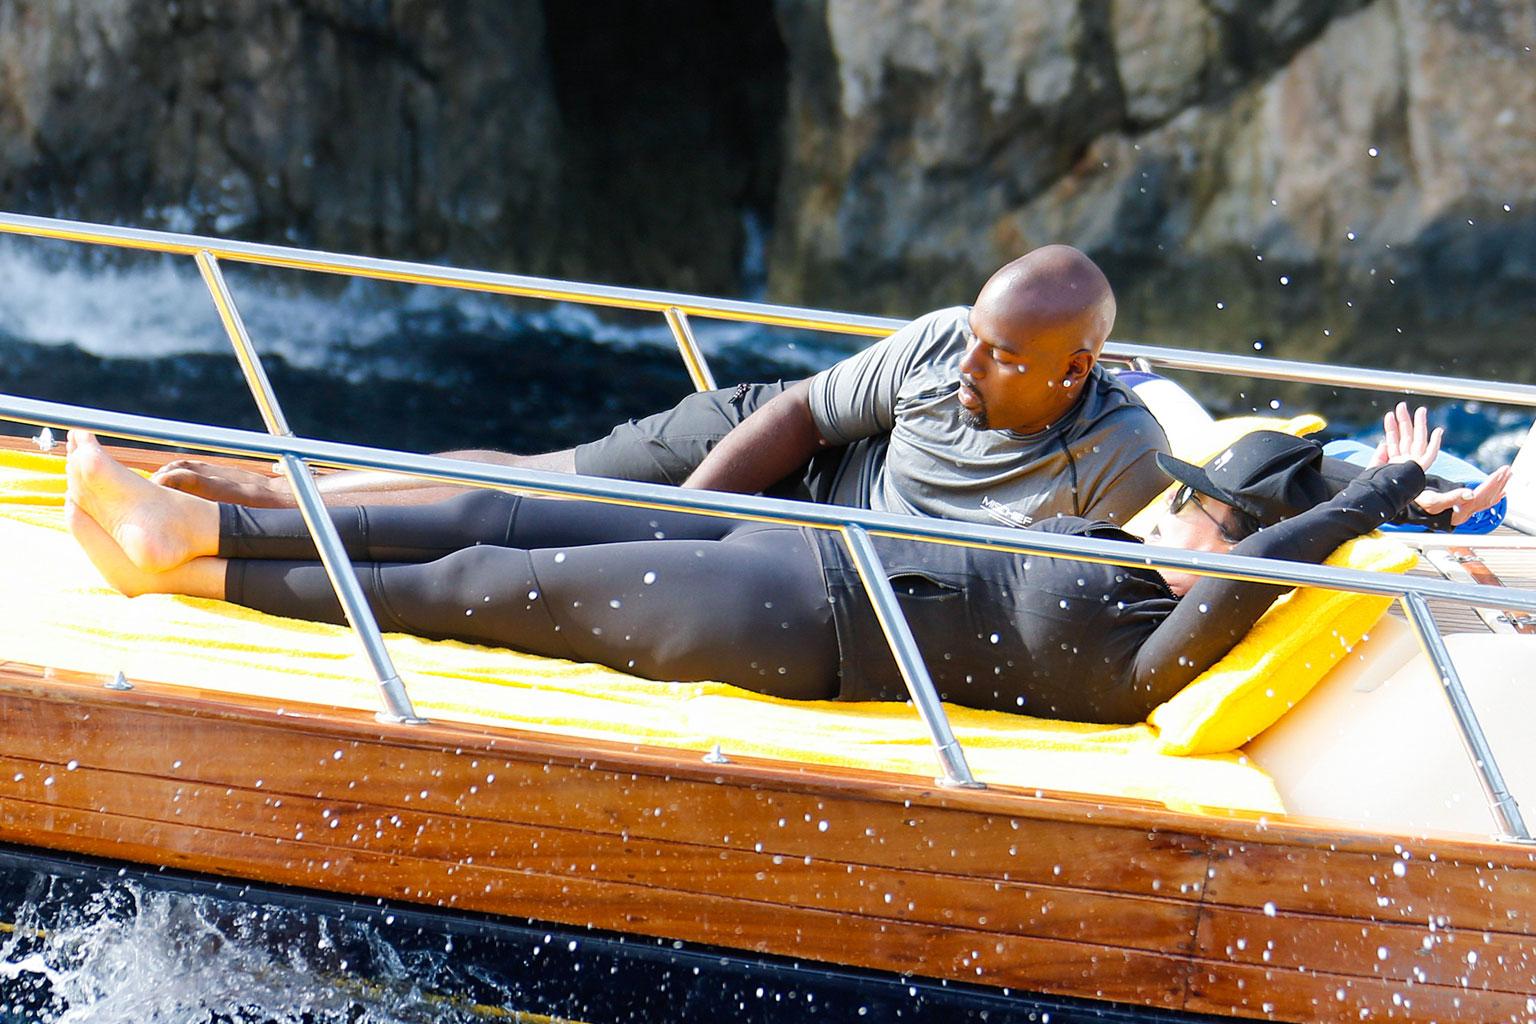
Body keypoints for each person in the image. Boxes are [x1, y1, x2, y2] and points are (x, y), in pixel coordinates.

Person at [62, 404, 1464, 725]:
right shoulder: (1145, 559)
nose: (1179, 512)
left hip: (801, 626)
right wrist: (1389, 482)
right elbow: (1273, 525)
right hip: (798, 545)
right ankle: (212, 524)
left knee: (478, 598)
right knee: (495, 517)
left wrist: (1376, 497)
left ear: (1244, 551)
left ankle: (185, 555)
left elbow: (1259, 569)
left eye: (1203, 511)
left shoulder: (1164, 639)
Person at [151, 245, 1175, 530]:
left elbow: (1189, 546)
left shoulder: (1120, 455)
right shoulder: (942, 343)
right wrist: (680, 523)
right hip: (752, 446)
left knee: (533, 489)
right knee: (542, 484)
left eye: (1000, 354)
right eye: (977, 336)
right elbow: (799, 414)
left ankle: (289, 482)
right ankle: (273, 494)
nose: (968, 363)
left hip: (804, 541)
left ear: (1076, 369)